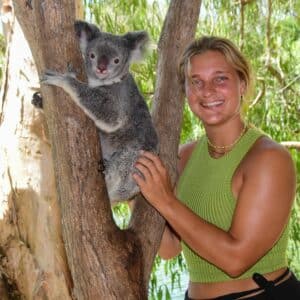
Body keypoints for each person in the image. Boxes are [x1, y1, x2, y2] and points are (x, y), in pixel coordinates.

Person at [132, 36, 300, 299]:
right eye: (195, 81)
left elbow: (236, 260)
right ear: (186, 91)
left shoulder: (268, 159)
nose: (206, 90)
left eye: (220, 78)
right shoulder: (184, 156)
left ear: (242, 84)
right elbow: (170, 247)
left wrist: (164, 199)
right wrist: (133, 187)